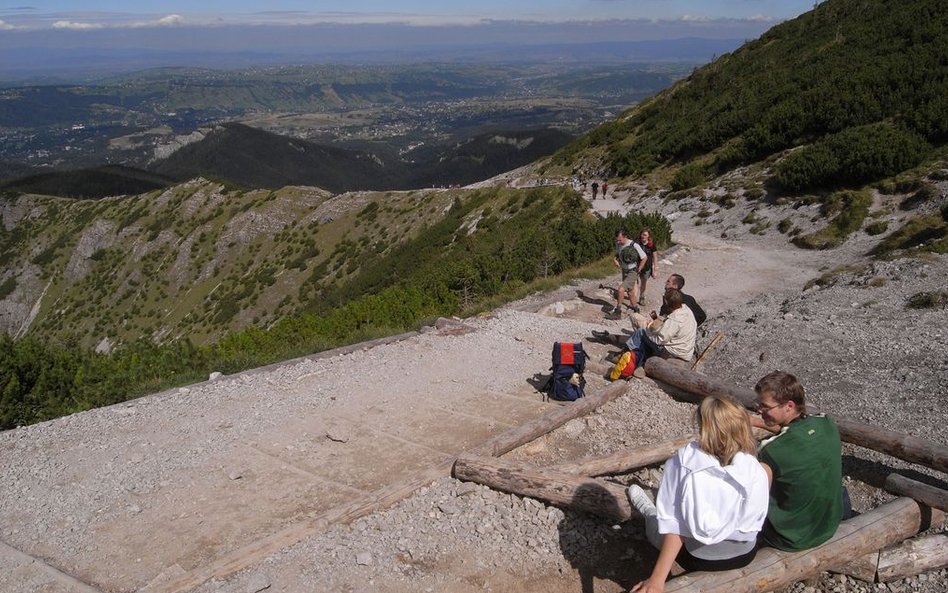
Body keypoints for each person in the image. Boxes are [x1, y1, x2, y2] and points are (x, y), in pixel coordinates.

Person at [629, 395, 769, 593]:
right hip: (746, 553)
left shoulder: (684, 463)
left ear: (705, 427)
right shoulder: (754, 467)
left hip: (700, 557)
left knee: (658, 521)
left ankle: (647, 511)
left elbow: (676, 526)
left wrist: (656, 579)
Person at [751, 371, 846, 551]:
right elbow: (794, 430)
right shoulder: (826, 423)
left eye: (765, 406)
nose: (759, 410)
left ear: (789, 405)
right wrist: (757, 422)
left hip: (791, 537)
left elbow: (756, 497)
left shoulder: (771, 450)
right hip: (829, 524)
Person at [625, 288, 697, 372]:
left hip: (673, 353)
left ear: (667, 303)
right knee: (646, 335)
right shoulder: (687, 310)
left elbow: (660, 340)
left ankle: (628, 353)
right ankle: (637, 355)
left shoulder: (675, 319)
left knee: (641, 332)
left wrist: (648, 332)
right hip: (686, 351)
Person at [612, 230, 646, 316]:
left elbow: (644, 257)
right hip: (624, 270)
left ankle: (618, 311)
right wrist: (615, 260)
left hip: (632, 271)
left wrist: (639, 268)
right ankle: (636, 309)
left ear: (625, 237)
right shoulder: (618, 245)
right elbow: (617, 254)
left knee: (621, 289)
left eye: (620, 240)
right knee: (630, 291)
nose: (618, 242)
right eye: (617, 240)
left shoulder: (634, 245)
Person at [637, 228, 659, 306]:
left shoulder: (651, 245)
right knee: (633, 282)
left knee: (643, 282)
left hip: (647, 267)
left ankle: (641, 297)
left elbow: (655, 257)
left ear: (648, 236)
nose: (643, 236)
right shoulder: (637, 244)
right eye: (642, 234)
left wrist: (655, 269)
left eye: (645, 235)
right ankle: (632, 296)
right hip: (637, 266)